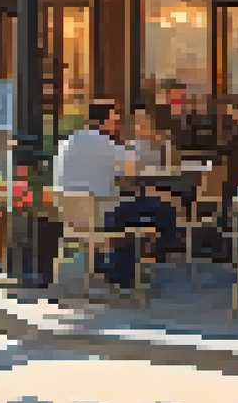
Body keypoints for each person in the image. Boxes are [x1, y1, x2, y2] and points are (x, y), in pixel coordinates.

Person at [53, 102, 178, 289]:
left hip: (72, 216)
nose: (116, 125)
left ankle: (116, 268)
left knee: (132, 208)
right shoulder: (101, 141)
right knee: (161, 208)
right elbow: (133, 164)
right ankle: (134, 268)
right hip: (100, 212)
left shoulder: (68, 141)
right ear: (102, 122)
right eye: (114, 120)